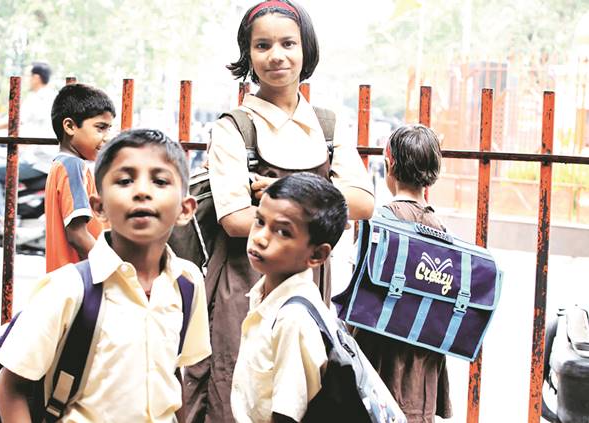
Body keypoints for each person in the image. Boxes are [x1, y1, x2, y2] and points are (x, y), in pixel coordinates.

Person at [182, 1, 374, 421]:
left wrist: (278, 196)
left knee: (302, 391)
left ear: (306, 49)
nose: (276, 56)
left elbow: (363, 202)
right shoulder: (235, 126)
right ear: (248, 54)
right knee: (238, 388)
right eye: (262, 45)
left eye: (288, 43)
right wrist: (321, 207)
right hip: (244, 280)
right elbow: (235, 220)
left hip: (307, 284)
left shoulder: (327, 125)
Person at [0, 129, 211, 421]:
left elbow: (172, 374)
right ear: (99, 207)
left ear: (185, 209)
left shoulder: (187, 283)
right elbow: (10, 387)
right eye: (125, 181)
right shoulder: (67, 289)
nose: (142, 191)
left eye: (160, 181)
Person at [353, 124, 452, 422]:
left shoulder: (380, 222)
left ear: (390, 163)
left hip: (381, 352)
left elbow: (358, 292)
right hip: (423, 355)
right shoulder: (441, 230)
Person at [231, 173, 347, 423]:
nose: (260, 237)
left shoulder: (292, 318)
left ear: (317, 255)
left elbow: (287, 415)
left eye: (283, 232)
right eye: (259, 221)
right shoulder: (266, 295)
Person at [45, 83, 116, 272]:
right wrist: (113, 271)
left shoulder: (61, 165)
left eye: (108, 129)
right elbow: (77, 235)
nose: (107, 137)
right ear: (69, 126)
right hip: (81, 280)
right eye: (100, 128)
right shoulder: (72, 166)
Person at [0, 61, 57, 233]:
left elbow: (13, 120)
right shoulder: (54, 97)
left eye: (28, 75)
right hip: (51, 157)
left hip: (39, 160)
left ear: (36, 77)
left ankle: (3, 219)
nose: (26, 79)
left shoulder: (37, 98)